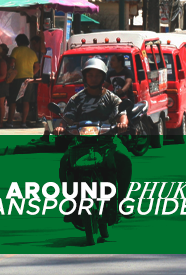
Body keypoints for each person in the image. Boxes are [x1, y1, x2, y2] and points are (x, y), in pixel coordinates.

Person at [55, 58, 132, 199]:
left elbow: (121, 114)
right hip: (80, 142)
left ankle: (121, 201)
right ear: (85, 77)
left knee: (124, 159)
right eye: (90, 75)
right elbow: (66, 119)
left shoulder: (111, 98)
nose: (93, 79)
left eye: (97, 75)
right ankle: (72, 201)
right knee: (65, 162)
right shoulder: (76, 99)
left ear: (103, 77)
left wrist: (122, 124)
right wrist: (61, 128)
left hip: (107, 140)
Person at [9, 34, 40, 127]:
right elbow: (37, 67)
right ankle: (23, 122)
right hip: (29, 80)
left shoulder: (16, 50)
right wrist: (31, 74)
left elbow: (11, 63)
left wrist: (11, 72)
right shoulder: (32, 52)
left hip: (18, 78)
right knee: (26, 101)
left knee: (13, 101)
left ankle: (9, 121)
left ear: (18, 42)